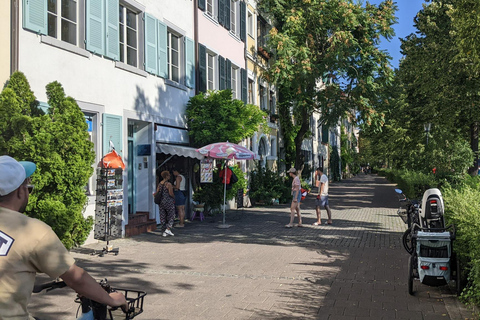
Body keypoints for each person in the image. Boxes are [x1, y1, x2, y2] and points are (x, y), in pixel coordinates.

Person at [0, 155, 127, 320]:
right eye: (28, 187)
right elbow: (76, 279)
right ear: (19, 192)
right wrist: (111, 299)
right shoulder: (32, 231)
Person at [154, 170, 175, 237]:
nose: (170, 176)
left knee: (163, 216)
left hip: (161, 202)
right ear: (166, 176)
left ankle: (164, 230)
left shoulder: (160, 184)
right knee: (171, 215)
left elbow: (157, 192)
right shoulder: (168, 184)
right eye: (169, 175)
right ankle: (168, 229)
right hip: (168, 201)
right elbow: (171, 193)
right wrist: (174, 197)